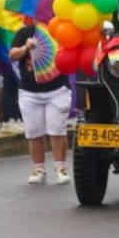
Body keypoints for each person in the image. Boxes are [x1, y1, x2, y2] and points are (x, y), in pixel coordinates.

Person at [8, 18, 72, 184]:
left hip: (57, 90)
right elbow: (12, 55)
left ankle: (60, 168)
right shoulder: (25, 33)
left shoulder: (60, 32)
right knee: (33, 131)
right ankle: (39, 169)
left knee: (57, 129)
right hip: (29, 92)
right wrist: (26, 48)